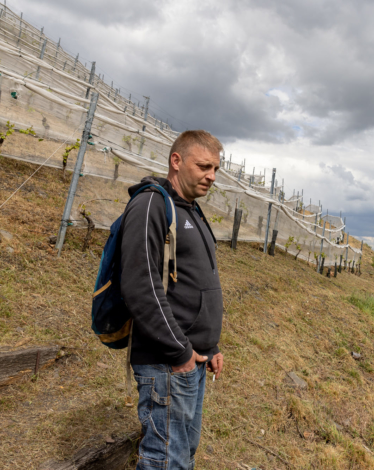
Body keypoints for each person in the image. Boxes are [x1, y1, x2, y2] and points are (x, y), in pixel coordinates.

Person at [120, 130, 225, 470]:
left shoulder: (191, 210)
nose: (211, 176)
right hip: (168, 361)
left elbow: (196, 284)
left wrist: (212, 345)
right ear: (176, 161)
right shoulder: (152, 204)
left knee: (182, 457)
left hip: (192, 359)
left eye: (215, 169)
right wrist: (179, 352)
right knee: (166, 461)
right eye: (204, 166)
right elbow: (141, 285)